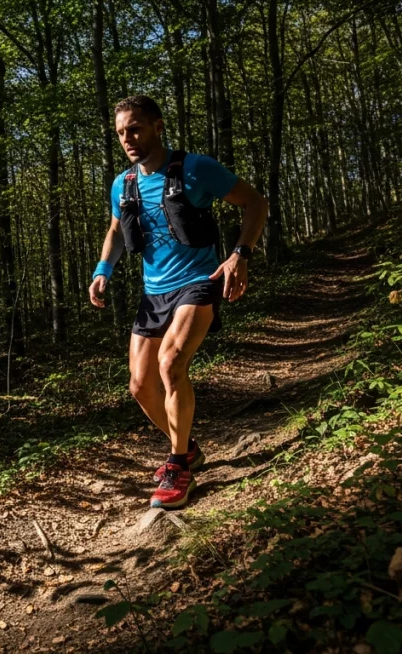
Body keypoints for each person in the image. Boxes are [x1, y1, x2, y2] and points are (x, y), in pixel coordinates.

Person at [89, 95, 267, 509]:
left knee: (171, 364)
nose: (128, 138)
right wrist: (103, 269)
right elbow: (117, 230)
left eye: (135, 128)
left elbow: (255, 202)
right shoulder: (123, 183)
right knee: (138, 385)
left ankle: (176, 467)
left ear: (157, 126)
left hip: (198, 281)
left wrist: (241, 254)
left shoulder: (195, 168)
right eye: (120, 133)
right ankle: (186, 448)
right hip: (154, 293)